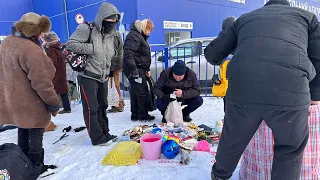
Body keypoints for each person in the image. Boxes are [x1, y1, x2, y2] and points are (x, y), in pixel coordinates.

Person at [204, 0, 320, 179]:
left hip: (244, 91)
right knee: (290, 149)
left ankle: (219, 175)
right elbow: (318, 56)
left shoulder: (245, 19)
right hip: (291, 94)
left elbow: (211, 55)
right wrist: (316, 94)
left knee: (232, 141)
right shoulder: (307, 18)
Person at [0, 12, 60, 176]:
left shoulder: (7, 42)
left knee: (23, 128)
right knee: (35, 132)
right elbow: (42, 82)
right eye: (41, 32)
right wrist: (53, 103)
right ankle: (35, 166)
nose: (42, 35)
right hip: (31, 101)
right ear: (34, 30)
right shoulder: (30, 48)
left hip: (12, 99)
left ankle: (23, 164)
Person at [66, 2, 123, 146]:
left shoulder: (112, 34)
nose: (112, 24)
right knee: (92, 107)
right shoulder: (87, 29)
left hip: (103, 76)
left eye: (115, 21)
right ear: (102, 18)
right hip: (88, 75)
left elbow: (112, 53)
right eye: (109, 21)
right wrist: (91, 47)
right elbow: (70, 44)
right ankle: (97, 138)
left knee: (103, 105)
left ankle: (105, 132)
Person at [123, 19, 155, 121]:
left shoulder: (139, 36)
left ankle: (135, 114)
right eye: (148, 29)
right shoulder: (134, 36)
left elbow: (140, 54)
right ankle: (142, 115)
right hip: (135, 68)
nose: (149, 31)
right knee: (142, 91)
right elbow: (128, 54)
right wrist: (134, 70)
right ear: (143, 26)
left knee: (135, 91)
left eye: (151, 30)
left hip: (138, 67)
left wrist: (147, 69)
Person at [44, 31, 71, 114]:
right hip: (61, 71)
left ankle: (53, 108)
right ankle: (67, 107)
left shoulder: (50, 50)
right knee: (63, 90)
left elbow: (51, 63)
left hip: (55, 73)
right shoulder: (59, 47)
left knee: (52, 90)